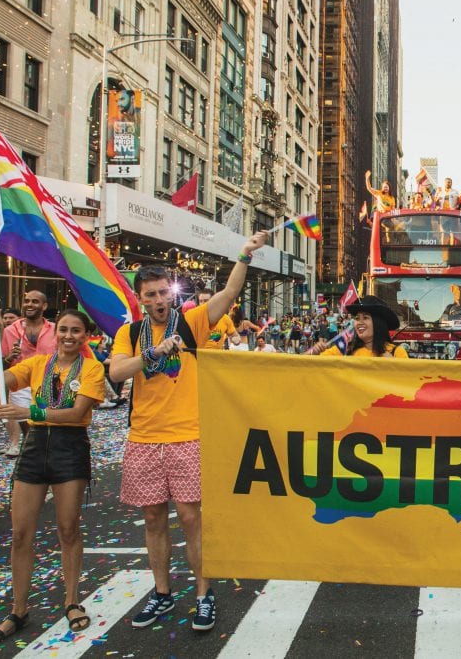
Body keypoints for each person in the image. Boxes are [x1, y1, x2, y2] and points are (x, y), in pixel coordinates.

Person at [109, 231, 268, 632]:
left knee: (191, 517)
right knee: (153, 520)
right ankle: (162, 594)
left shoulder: (193, 322)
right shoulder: (128, 334)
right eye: (151, 295)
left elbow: (229, 293)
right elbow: (116, 373)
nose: (159, 300)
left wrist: (244, 254)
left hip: (188, 435)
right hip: (144, 437)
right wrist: (153, 353)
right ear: (141, 299)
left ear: (172, 294)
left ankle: (203, 593)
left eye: (164, 292)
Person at [0, 310, 105, 644]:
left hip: (69, 449)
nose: (68, 336)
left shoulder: (92, 368)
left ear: (85, 335)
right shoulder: (37, 364)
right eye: (63, 329)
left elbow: (77, 413)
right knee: (21, 534)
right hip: (34, 449)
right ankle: (18, 610)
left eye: (76, 331)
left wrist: (29, 412)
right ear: (56, 332)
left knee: (68, 529)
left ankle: (72, 601)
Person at [0, 291, 57, 459]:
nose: (29, 304)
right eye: (26, 301)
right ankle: (35, 458)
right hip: (20, 385)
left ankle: (43, 457)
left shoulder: (55, 330)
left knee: (46, 426)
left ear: (44, 306)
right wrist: (9, 357)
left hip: (49, 384)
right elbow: (1, 362)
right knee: (30, 428)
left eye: (35, 301)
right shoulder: (10, 331)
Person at [321, 296, 409, 358]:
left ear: (378, 323)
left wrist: (393, 364)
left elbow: (408, 381)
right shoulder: (346, 349)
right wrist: (315, 352)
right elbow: (313, 365)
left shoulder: (396, 353)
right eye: (357, 318)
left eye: (365, 318)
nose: (359, 322)